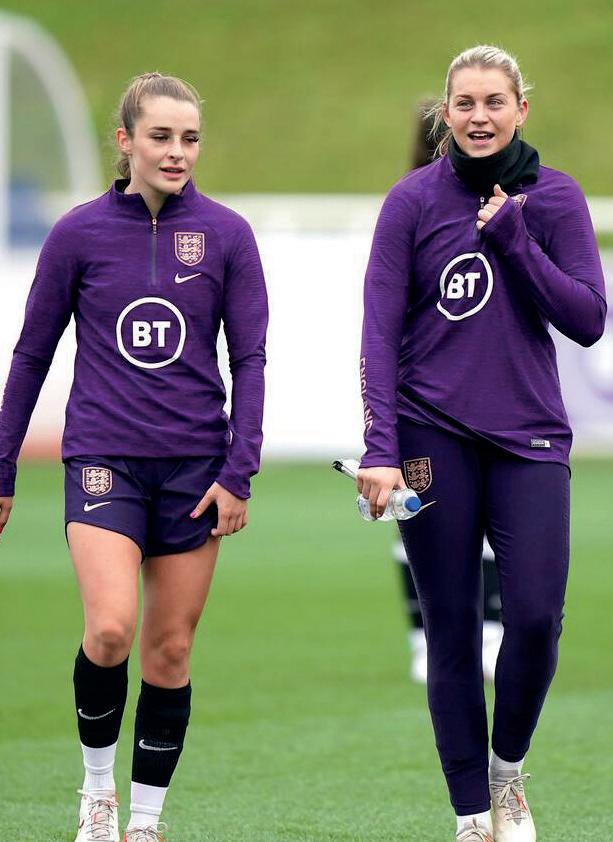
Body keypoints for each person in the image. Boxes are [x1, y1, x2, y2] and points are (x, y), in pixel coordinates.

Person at [0, 72, 268, 842]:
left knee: (170, 649)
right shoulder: (78, 234)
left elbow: (249, 360)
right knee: (112, 630)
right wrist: (3, 466)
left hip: (194, 472)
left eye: (190, 138)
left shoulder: (227, 236)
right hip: (103, 460)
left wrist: (237, 471)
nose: (177, 151)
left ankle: (145, 820)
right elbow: (31, 355)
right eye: (161, 136)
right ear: (125, 141)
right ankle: (96, 790)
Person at [358, 45, 606, 841]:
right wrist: (379, 446)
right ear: (446, 112)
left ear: (519, 109)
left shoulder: (554, 198)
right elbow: (377, 331)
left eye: (493, 101)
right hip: (430, 435)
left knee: (533, 618)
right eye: (463, 103)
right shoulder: (410, 202)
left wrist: (514, 241)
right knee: (452, 628)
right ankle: (471, 814)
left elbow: (587, 318)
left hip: (529, 436)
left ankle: (506, 774)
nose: (478, 115)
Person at [398, 99, 503, 685]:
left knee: (477, 517)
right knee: (416, 515)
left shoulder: (499, 201)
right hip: (423, 395)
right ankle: (432, 636)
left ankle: (483, 629)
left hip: (477, 390)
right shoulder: (409, 205)